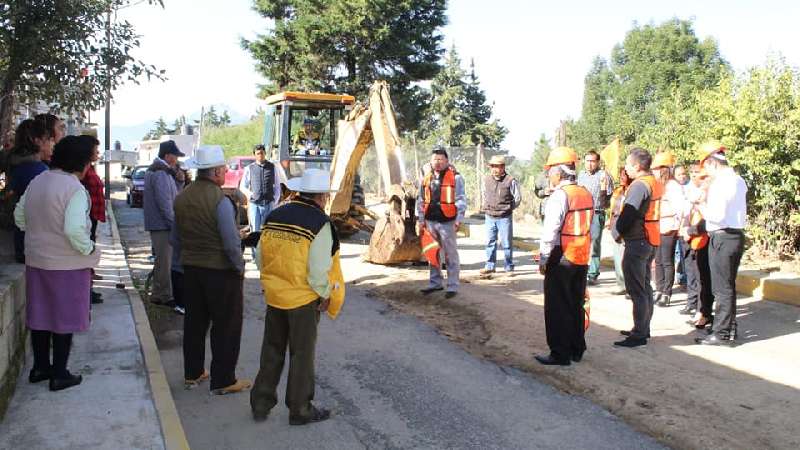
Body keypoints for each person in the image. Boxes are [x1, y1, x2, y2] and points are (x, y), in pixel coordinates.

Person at [250, 168, 346, 425]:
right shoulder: (320, 224)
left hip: (275, 297)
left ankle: (260, 404)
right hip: (303, 301)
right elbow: (317, 271)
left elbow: (259, 256)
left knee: (271, 351)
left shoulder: (275, 214)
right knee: (301, 355)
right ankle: (300, 409)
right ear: (323, 197)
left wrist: (274, 280)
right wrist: (325, 295)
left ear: (301, 190)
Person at [14, 136, 101, 391]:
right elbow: (75, 230)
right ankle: (60, 373)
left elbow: (20, 217)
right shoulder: (74, 189)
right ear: (83, 163)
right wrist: (90, 248)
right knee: (64, 318)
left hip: (37, 259)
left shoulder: (38, 180)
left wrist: (41, 233)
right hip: (66, 265)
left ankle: (40, 367)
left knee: (40, 315)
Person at [173, 145, 250, 394]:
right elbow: (229, 242)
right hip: (220, 271)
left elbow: (175, 238)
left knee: (195, 323)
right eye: (224, 168)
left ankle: (192, 373)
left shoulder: (182, 197)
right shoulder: (220, 200)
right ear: (216, 172)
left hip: (192, 269)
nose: (226, 171)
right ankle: (224, 379)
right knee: (226, 325)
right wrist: (239, 266)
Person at [535, 147, 593, 366]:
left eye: (550, 170)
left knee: (557, 306)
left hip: (562, 257)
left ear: (558, 173)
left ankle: (560, 354)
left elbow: (550, 232)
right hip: (581, 256)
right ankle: (577, 349)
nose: (549, 175)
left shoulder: (560, 196)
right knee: (575, 303)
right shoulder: (585, 192)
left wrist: (543, 258)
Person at [694, 141, 747, 346]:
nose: (705, 172)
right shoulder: (738, 180)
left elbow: (716, 216)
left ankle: (721, 332)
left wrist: (701, 205)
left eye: (705, 167)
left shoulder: (720, 184)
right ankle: (729, 327)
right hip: (735, 236)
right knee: (728, 285)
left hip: (722, 237)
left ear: (711, 163)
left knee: (721, 288)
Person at [612, 148, 663, 348]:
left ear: (637, 166)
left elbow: (629, 214)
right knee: (644, 286)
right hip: (650, 239)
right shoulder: (654, 183)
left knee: (637, 289)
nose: (625, 167)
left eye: (627, 164)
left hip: (638, 240)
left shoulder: (639, 186)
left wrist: (617, 233)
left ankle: (639, 334)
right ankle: (642, 327)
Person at [416, 147, 467, 298]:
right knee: (433, 253)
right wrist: (420, 220)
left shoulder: (456, 178)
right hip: (430, 221)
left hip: (447, 222)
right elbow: (420, 200)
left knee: (450, 254)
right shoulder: (426, 178)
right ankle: (435, 283)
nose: (437, 162)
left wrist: (458, 220)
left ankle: (452, 286)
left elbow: (461, 200)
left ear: (446, 161)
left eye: (440, 159)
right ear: (430, 162)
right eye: (434, 160)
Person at [143, 140, 184, 306]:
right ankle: (163, 295)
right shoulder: (159, 172)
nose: (176, 160)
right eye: (175, 156)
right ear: (167, 156)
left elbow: (174, 195)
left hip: (162, 223)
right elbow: (164, 204)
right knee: (164, 261)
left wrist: (180, 181)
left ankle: (161, 292)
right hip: (162, 224)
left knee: (164, 260)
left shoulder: (165, 171)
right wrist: (174, 224)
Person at [6, 119, 53, 263]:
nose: (52, 144)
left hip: (23, 244)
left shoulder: (13, 164)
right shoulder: (40, 171)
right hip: (36, 249)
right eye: (49, 140)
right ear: (37, 141)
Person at [679, 163, 713, 325]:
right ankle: (698, 308)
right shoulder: (691, 190)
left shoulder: (709, 194)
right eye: (692, 173)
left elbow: (709, 219)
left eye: (700, 175)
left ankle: (704, 312)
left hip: (704, 238)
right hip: (693, 237)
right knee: (695, 275)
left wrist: (699, 205)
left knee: (704, 279)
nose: (695, 177)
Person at [652, 152, 685, 307]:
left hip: (669, 227)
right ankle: (658, 289)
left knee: (666, 260)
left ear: (664, 169)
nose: (654, 171)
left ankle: (667, 292)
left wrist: (679, 227)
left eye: (657, 168)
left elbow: (680, 209)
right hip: (657, 227)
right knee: (658, 260)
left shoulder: (673, 186)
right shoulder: (658, 185)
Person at [577, 150, 614, 285]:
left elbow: (609, 196)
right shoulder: (580, 175)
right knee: (581, 243)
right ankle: (581, 270)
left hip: (597, 213)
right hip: (581, 213)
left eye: (593, 161)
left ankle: (593, 273)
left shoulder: (603, 175)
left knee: (595, 244)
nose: (590, 164)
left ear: (598, 162)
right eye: (587, 161)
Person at [480, 155, 521, 275]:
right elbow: (484, 194)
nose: (494, 169)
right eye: (492, 166)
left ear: (503, 167)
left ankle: (508, 267)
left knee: (506, 243)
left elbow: (517, 198)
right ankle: (490, 266)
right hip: (489, 216)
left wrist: (508, 208)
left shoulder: (510, 180)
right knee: (490, 242)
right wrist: (486, 206)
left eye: (497, 166)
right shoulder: (486, 179)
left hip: (504, 217)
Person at [78, 135, 106, 305]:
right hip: (87, 215)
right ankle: (86, 290)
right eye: (95, 150)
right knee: (85, 252)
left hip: (93, 215)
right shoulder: (83, 171)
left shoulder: (90, 168)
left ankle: (88, 288)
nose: (98, 153)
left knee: (89, 250)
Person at [239, 144, 281, 234]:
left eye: (262, 153)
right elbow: (242, 186)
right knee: (255, 231)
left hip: (269, 204)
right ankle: (255, 248)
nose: (260, 155)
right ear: (255, 155)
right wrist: (250, 195)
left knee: (268, 230)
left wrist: (275, 201)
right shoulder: (249, 168)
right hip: (255, 205)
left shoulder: (272, 167)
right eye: (258, 153)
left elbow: (277, 186)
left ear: (265, 153)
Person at [607, 167, 631, 295]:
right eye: (620, 175)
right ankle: (621, 284)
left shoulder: (632, 191)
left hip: (626, 228)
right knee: (617, 257)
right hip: (615, 226)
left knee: (626, 258)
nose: (621, 178)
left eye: (624, 175)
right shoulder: (617, 191)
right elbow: (613, 209)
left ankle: (629, 286)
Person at [673, 165, 689, 287]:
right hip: (675, 225)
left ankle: (686, 277)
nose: (682, 176)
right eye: (679, 174)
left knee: (685, 252)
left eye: (684, 174)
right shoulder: (672, 187)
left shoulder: (691, 187)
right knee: (677, 252)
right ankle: (680, 277)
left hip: (687, 224)